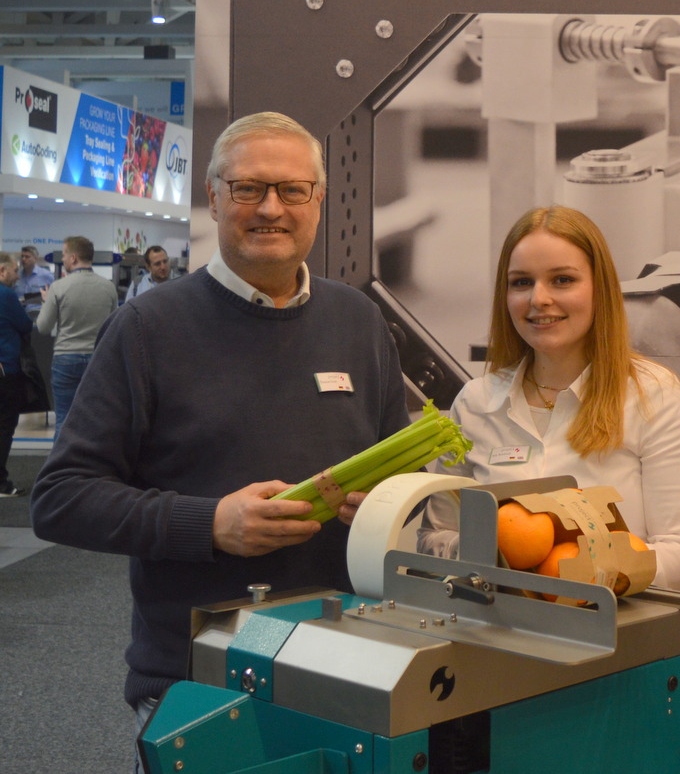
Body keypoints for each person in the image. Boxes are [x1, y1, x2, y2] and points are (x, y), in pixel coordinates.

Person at [31, 111, 410, 740]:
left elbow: (403, 477)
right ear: (213, 198)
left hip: (348, 663)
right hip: (202, 677)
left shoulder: (359, 320)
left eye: (292, 190)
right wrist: (209, 524)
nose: (271, 208)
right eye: (248, 188)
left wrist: (388, 505)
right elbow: (61, 498)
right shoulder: (146, 329)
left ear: (318, 201)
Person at [426, 204, 680, 591]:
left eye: (562, 280)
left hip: (613, 623)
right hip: (493, 621)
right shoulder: (475, 403)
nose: (538, 298)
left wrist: (594, 571)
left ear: (600, 289)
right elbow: (434, 537)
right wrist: (490, 553)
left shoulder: (653, 396)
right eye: (521, 282)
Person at [35, 235, 118, 437]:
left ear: (73, 258)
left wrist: (46, 302)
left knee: (64, 420)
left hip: (65, 359)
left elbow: (43, 327)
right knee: (95, 420)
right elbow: (113, 327)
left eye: (64, 254)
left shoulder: (58, 287)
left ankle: (63, 458)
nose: (63, 259)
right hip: (97, 360)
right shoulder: (108, 288)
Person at [0, 251, 35, 497]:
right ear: (2, 271)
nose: (17, 275)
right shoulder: (6, 295)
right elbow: (25, 325)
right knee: (4, 425)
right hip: (6, 370)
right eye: (14, 270)